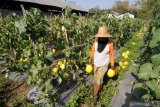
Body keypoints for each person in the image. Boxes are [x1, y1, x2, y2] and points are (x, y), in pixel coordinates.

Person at [88, 26, 115, 100]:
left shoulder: (110, 43)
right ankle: (98, 87)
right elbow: (93, 51)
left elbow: (111, 54)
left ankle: (95, 95)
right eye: (101, 36)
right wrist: (90, 59)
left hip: (104, 64)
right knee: (96, 78)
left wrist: (112, 65)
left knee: (99, 81)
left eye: (103, 36)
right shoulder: (96, 41)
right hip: (96, 63)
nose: (102, 37)